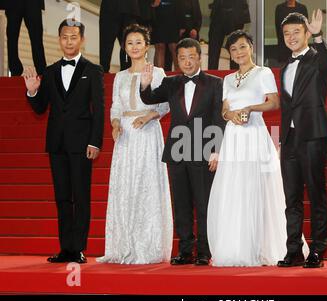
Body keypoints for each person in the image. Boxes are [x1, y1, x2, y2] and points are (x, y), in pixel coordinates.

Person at [207, 30, 309, 267]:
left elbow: (274, 102)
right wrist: (231, 114)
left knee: (257, 188)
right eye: (234, 49)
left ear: (251, 47)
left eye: (242, 47)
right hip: (233, 136)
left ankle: (263, 245)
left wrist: (250, 109)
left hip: (254, 133)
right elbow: (224, 109)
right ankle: (236, 245)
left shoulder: (263, 73)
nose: (239, 52)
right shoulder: (228, 79)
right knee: (234, 189)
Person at [23, 19, 105, 263]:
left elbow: (98, 110)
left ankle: (78, 248)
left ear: (81, 40)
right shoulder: (49, 72)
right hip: (57, 143)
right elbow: (39, 109)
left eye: (73, 37)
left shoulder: (93, 70)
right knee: (62, 197)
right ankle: (65, 248)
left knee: (81, 196)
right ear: (59, 39)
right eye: (64, 37)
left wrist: (95, 142)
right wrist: (32, 91)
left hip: (82, 144)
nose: (68, 41)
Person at [140, 38, 226, 266]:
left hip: (204, 151)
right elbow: (149, 98)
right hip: (177, 152)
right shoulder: (171, 83)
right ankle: (185, 250)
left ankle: (204, 252)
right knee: (181, 203)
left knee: (204, 203)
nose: (187, 62)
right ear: (177, 60)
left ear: (200, 57)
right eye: (182, 58)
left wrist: (217, 149)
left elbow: (219, 118)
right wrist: (145, 84)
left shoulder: (215, 83)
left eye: (191, 57)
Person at [96, 24, 172, 265]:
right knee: (125, 187)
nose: (135, 47)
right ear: (125, 48)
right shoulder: (120, 76)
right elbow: (115, 106)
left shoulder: (158, 73)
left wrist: (149, 116)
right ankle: (122, 246)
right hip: (126, 137)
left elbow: (166, 104)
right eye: (130, 43)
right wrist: (115, 124)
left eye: (139, 42)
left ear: (147, 46)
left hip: (148, 133)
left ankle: (148, 247)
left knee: (146, 185)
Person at [277, 11, 327, 269]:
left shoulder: (316, 60)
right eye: (287, 33)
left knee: (316, 193)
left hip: (312, 135)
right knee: (292, 198)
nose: (291, 37)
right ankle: (294, 251)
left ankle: (318, 251)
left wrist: (320, 36)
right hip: (289, 138)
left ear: (306, 33)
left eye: (296, 32)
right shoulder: (285, 66)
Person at [4, 0, 46, 76]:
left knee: (37, 37)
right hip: (13, 3)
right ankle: (15, 69)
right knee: (12, 36)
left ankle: (41, 70)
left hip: (33, 3)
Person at [208, 0, 251, 70]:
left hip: (235, 15)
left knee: (235, 46)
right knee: (214, 48)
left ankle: (235, 75)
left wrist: (243, 18)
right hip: (218, 15)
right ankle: (212, 75)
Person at [99, 0, 140, 72]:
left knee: (129, 42)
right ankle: (104, 73)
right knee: (106, 42)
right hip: (110, 7)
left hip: (130, 9)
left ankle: (126, 73)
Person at [151, 0, 180, 70]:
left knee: (174, 47)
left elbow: (180, 5)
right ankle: (159, 77)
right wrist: (152, 3)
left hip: (173, 20)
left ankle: (179, 75)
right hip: (157, 19)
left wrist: (182, 23)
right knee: (160, 47)